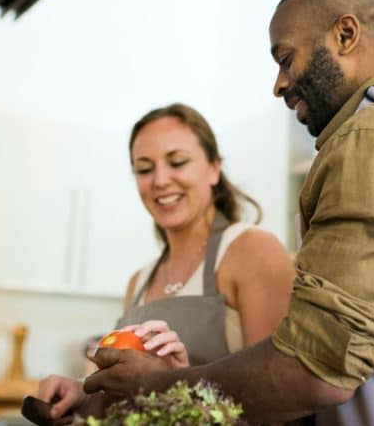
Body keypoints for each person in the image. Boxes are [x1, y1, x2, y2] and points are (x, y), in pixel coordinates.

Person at [62, 0, 374, 425]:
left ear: (346, 36)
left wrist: (165, 385)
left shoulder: (370, 140)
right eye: (143, 169)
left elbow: (315, 372)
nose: (279, 85)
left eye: (285, 59)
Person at [35, 103, 296, 417]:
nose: (160, 180)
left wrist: (173, 383)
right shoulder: (139, 282)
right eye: (144, 169)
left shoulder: (252, 250)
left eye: (177, 162)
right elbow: (130, 404)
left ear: (214, 168)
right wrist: (81, 393)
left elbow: (281, 395)